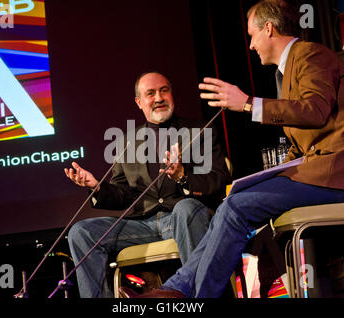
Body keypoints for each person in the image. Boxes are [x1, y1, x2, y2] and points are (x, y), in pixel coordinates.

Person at [119, 0, 344, 298]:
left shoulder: (311, 54)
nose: (252, 45)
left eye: (252, 35)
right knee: (236, 198)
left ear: (268, 29)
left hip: (343, 176)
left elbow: (315, 111)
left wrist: (247, 103)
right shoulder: (288, 69)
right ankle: (177, 289)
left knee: (237, 206)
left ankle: (192, 295)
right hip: (323, 173)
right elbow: (306, 138)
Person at [65, 71, 230, 297]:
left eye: (164, 90)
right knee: (81, 232)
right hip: (143, 226)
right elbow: (123, 193)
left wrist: (183, 176)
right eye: (150, 93)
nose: (159, 98)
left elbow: (218, 179)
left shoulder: (201, 130)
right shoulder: (126, 142)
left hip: (185, 219)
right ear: (139, 102)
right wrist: (97, 187)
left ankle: (199, 297)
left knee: (186, 208)